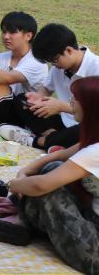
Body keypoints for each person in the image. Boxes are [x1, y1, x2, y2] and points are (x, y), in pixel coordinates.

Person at [7, 76, 99, 275]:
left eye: (76, 99)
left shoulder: (95, 152)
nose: (70, 103)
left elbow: (41, 185)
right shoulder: (94, 140)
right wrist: (24, 172)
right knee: (53, 168)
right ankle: (25, 222)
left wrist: (13, 185)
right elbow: (57, 156)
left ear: (91, 107)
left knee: (49, 189)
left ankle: (24, 224)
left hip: (96, 254)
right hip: (92, 218)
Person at [0, 23, 99, 151]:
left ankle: (37, 141)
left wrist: (62, 107)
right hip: (63, 121)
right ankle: (53, 138)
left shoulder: (96, 68)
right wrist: (37, 98)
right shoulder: (59, 66)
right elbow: (46, 88)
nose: (54, 65)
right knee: (22, 100)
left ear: (69, 50)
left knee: (83, 132)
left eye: (54, 60)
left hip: (86, 124)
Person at [0, 11, 48, 130]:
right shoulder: (0, 57)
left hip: (23, 117)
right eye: (4, 32)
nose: (6, 36)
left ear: (28, 36)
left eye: (12, 32)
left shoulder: (37, 62)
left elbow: (8, 78)